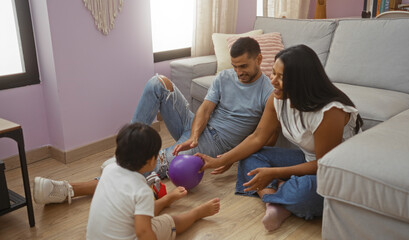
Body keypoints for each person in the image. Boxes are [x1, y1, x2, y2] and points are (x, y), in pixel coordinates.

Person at [33, 36, 274, 205]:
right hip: (197, 131)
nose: (238, 72)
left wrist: (228, 159)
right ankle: (127, 150)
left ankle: (67, 189)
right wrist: (194, 136)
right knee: (158, 83)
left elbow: (260, 138)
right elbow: (205, 109)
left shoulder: (268, 93)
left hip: (215, 145)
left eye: (243, 66)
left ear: (259, 59)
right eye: (235, 66)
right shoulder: (225, 76)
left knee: (147, 164)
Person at [196, 44, 363, 231]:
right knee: (251, 157)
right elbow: (258, 137)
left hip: (336, 172)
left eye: (281, 77)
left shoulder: (330, 111)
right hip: (308, 160)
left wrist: (275, 173)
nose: (273, 81)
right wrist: (220, 160)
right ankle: (275, 204)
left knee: (304, 194)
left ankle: (277, 191)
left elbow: (323, 164)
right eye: (273, 73)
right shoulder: (277, 98)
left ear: (302, 80)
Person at [86, 122, 220, 240]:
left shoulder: (109, 169)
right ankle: (197, 213)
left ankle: (167, 200)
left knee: (140, 212)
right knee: (169, 221)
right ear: (151, 160)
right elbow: (143, 232)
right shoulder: (142, 190)